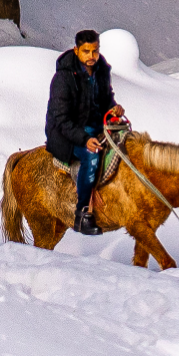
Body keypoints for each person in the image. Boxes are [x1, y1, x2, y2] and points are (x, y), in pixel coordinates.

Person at [44, 29, 115, 235]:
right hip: (66, 133)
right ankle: (82, 213)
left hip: (96, 127)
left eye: (95, 51)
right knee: (92, 158)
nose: (92, 56)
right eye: (86, 51)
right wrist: (85, 140)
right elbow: (61, 118)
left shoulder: (102, 71)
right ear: (76, 51)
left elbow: (106, 100)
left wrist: (113, 111)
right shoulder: (63, 78)